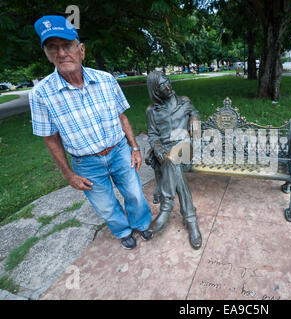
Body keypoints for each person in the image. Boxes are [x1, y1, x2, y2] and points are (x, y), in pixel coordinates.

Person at [29, 15, 152, 250]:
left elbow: (121, 117)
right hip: (86, 164)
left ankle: (141, 223)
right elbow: (51, 139)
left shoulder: (106, 80)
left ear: (81, 49)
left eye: (67, 46)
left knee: (135, 194)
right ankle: (123, 231)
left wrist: (134, 148)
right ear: (47, 54)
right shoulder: (40, 94)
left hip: (118, 151)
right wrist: (69, 175)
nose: (62, 53)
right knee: (105, 205)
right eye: (53, 48)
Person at [145, 71, 202, 249]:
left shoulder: (183, 101)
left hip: (186, 148)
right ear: (155, 90)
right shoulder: (151, 111)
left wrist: (194, 119)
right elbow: (153, 134)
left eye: (167, 82)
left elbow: (196, 114)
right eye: (162, 86)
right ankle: (190, 218)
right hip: (166, 152)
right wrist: (158, 148)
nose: (168, 87)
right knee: (172, 164)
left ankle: (166, 208)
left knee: (172, 160)